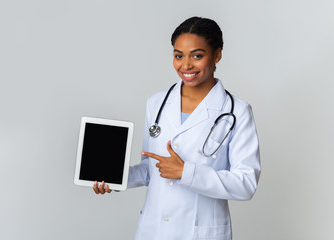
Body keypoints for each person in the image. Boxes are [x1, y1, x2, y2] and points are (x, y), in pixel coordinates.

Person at [93, 16, 261, 240]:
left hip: (201, 233)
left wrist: (187, 172)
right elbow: (151, 169)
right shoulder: (157, 103)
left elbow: (246, 184)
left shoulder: (237, 112)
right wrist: (115, 179)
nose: (186, 65)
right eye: (178, 55)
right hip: (154, 230)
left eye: (197, 56)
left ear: (217, 55)